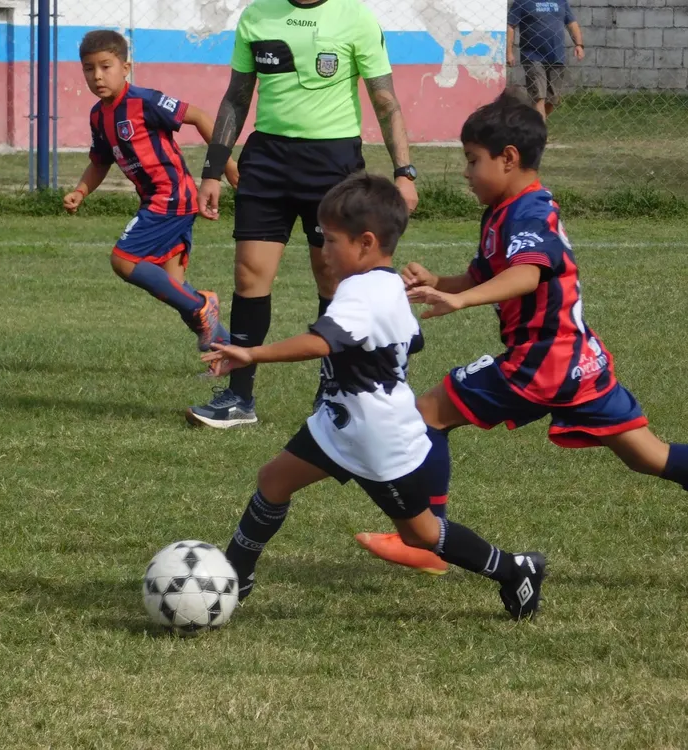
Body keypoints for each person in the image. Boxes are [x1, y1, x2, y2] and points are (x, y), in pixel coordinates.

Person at [355, 94, 688, 582]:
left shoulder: (527, 212)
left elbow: (525, 277)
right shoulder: (504, 210)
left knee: (427, 413)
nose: (466, 173)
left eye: (473, 161)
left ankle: (431, 540)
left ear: (509, 159)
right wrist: (443, 284)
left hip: (543, 362)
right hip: (579, 358)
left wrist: (460, 301)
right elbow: (486, 273)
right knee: (646, 454)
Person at [202, 172, 546, 619]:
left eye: (330, 241)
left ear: (365, 243)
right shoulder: (384, 285)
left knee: (422, 535)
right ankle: (236, 578)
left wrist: (251, 353)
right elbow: (411, 340)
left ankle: (514, 569)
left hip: (378, 438)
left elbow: (322, 342)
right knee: (273, 481)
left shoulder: (362, 292)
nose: (323, 252)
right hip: (340, 423)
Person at [186, 0, 419, 429]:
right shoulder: (257, 15)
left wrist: (405, 173)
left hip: (332, 164)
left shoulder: (356, 17)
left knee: (332, 275)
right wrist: (212, 170)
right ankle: (239, 397)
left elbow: (385, 100)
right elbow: (236, 97)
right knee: (248, 273)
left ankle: (334, 392)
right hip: (267, 160)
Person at [63, 30, 238, 351]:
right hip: (159, 200)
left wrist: (230, 170)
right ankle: (228, 349)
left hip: (170, 196)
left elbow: (198, 116)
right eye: (89, 69)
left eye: (106, 66)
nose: (97, 76)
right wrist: (81, 191)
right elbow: (100, 162)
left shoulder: (144, 101)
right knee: (175, 286)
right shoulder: (98, 116)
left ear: (125, 67)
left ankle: (203, 303)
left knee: (123, 260)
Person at [506, 0, 584, 121]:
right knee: (538, 96)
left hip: (556, 55)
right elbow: (511, 25)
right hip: (532, 55)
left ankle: (534, 123)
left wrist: (579, 44)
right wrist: (509, 52)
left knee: (552, 98)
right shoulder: (522, 2)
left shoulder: (561, 2)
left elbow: (572, 23)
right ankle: (540, 134)